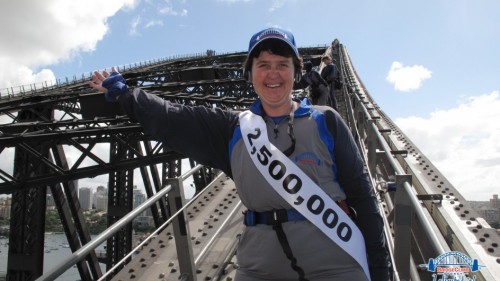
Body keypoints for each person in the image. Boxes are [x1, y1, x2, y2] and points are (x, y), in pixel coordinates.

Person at [89, 27, 390, 281]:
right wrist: (126, 96)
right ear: (250, 73)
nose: (273, 73)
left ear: (297, 71)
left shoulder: (326, 121)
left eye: (282, 64)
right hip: (259, 269)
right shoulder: (233, 128)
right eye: (263, 64)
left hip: (334, 266)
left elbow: (364, 200)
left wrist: (381, 272)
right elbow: (174, 118)